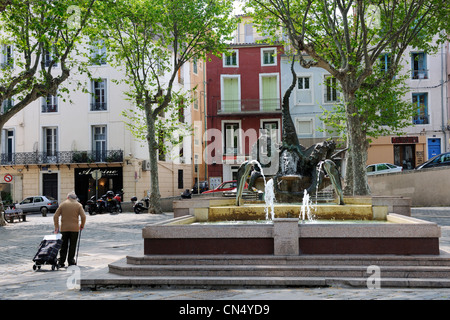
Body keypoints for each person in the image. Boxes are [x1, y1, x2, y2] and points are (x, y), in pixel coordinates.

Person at [53, 191, 86, 267]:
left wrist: (56, 227)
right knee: (72, 245)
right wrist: (82, 225)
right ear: (75, 198)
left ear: (68, 197)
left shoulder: (63, 204)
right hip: (75, 229)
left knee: (63, 246)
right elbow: (83, 216)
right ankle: (71, 261)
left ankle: (61, 262)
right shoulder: (79, 205)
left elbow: (55, 216)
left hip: (64, 228)